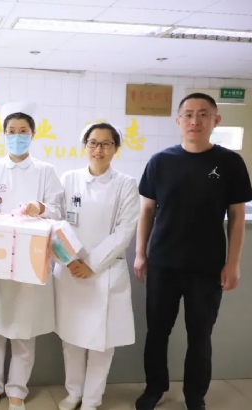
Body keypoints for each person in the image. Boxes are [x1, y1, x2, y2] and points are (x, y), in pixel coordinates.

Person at [134, 93, 252, 410]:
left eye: (203, 114)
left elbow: (237, 217)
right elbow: (146, 211)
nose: (194, 120)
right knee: (157, 332)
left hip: (207, 266)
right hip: (163, 263)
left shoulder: (230, 163)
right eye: (188, 114)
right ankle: (154, 388)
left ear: (216, 120)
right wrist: (141, 254)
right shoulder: (160, 162)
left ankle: (195, 395)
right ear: (178, 121)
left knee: (200, 335)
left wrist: (233, 263)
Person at [0, 102, 64, 410]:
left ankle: (17, 390)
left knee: (25, 331)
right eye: (11, 131)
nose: (17, 137)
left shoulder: (46, 171)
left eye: (23, 131)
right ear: (3, 134)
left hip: (30, 262)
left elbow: (60, 211)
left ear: (33, 134)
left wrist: (41, 207)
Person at [54, 123, 139, 410]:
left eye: (106, 144)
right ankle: (73, 393)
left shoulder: (125, 184)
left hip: (105, 272)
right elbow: (57, 223)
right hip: (71, 271)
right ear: (85, 146)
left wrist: (91, 265)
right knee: (71, 338)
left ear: (116, 148)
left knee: (102, 343)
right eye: (93, 143)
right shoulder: (69, 179)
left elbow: (124, 230)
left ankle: (91, 400)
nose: (98, 149)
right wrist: (69, 260)